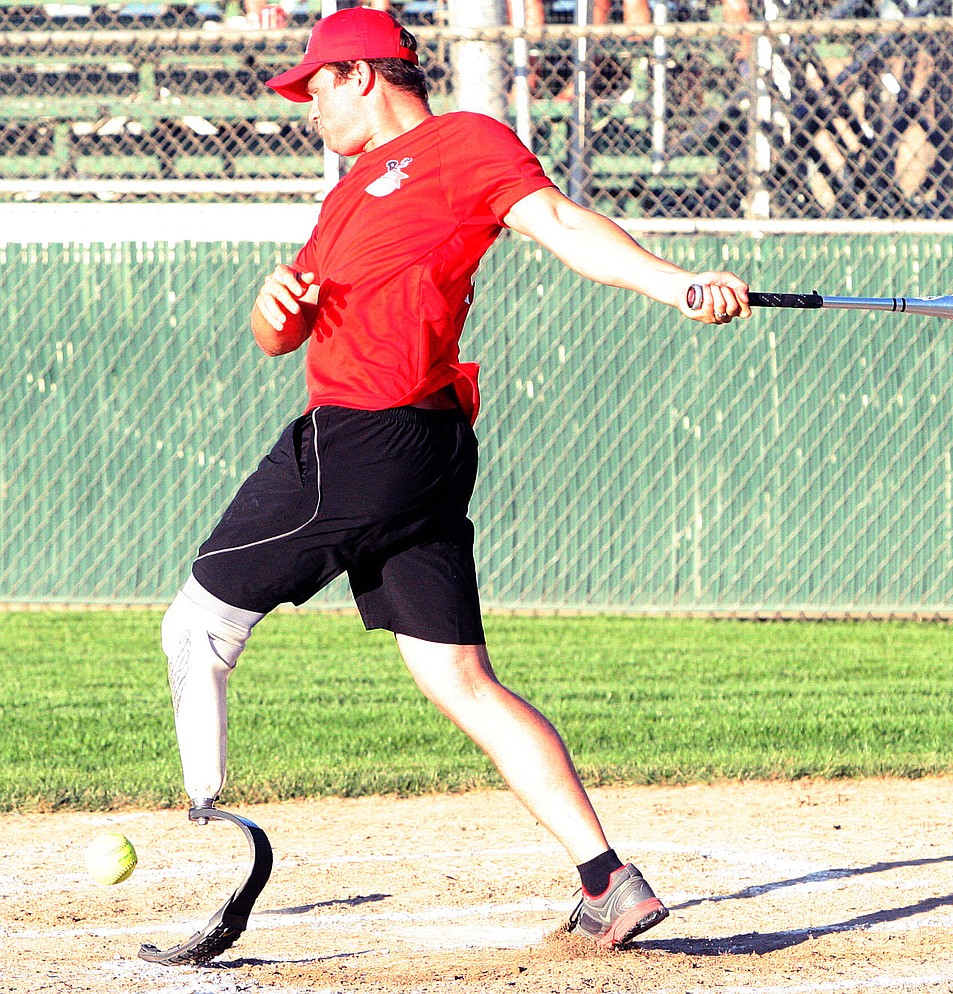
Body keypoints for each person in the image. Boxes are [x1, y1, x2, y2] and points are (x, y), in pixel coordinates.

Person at [160, 3, 750, 958]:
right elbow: (282, 335)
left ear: (359, 75)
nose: (308, 109)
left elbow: (557, 220)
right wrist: (273, 310)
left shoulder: (462, 144)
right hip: (417, 451)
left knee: (196, 625)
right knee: (457, 675)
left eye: (314, 87)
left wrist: (672, 282)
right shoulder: (348, 196)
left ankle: (206, 819)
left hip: (367, 437)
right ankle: (610, 882)